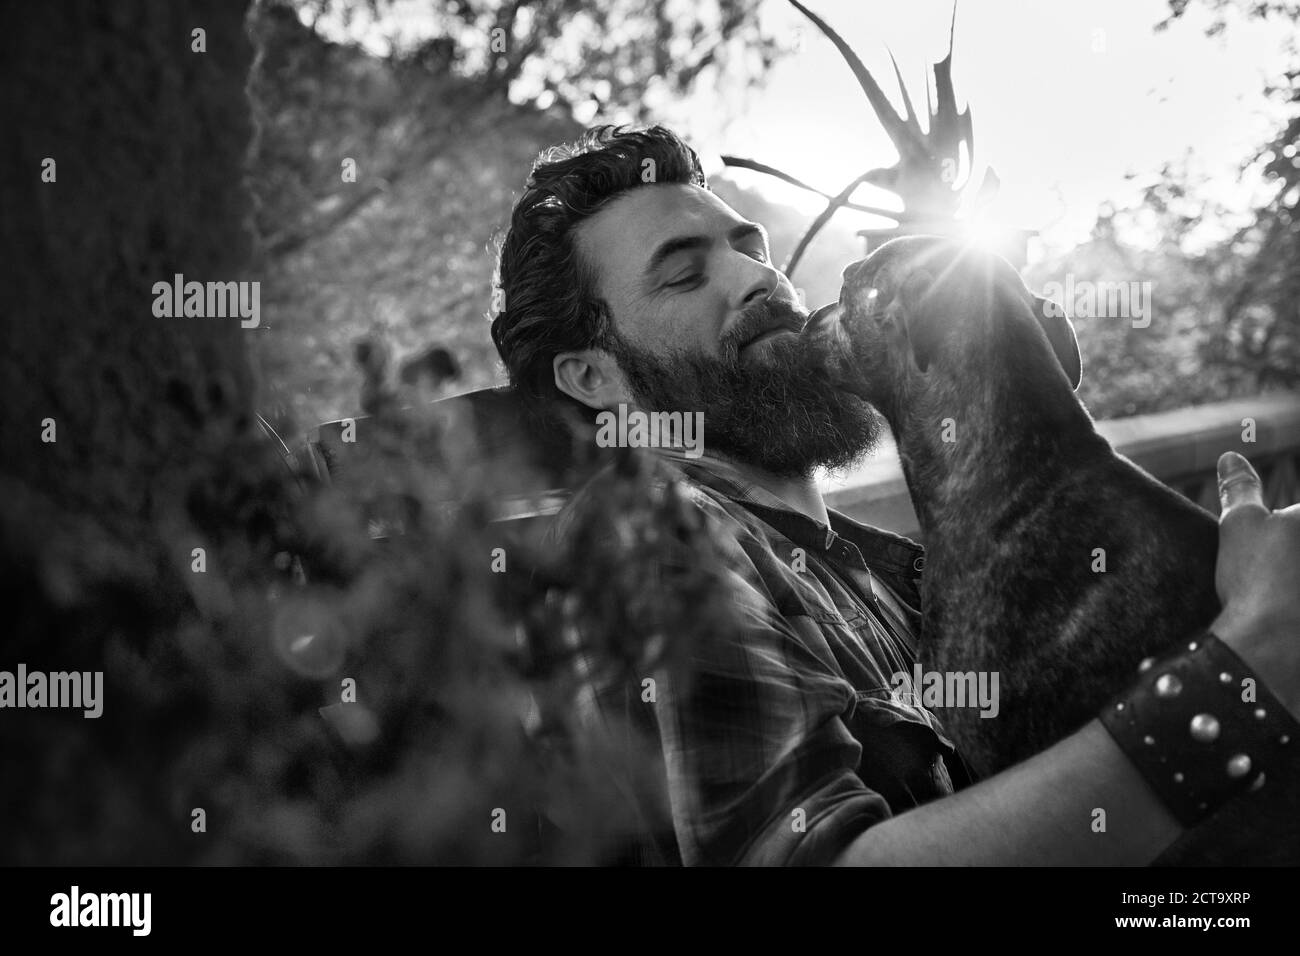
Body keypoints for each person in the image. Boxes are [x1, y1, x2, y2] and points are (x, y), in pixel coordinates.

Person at [489, 124, 1300, 865]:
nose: (759, 277)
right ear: (592, 376)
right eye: (684, 275)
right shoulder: (644, 543)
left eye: (750, 245)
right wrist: (1245, 671)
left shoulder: (874, 570)